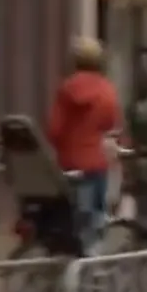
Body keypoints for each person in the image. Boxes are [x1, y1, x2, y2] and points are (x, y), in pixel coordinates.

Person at [45, 37, 124, 240]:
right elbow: (110, 123)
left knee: (71, 215)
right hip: (96, 162)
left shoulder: (66, 88)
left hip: (70, 162)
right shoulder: (107, 89)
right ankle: (91, 259)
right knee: (95, 217)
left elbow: (54, 130)